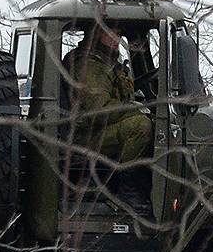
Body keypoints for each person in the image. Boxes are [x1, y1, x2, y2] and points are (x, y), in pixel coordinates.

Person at [63, 24, 152, 207]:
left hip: (95, 132)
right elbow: (98, 111)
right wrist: (137, 109)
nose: (116, 39)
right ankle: (129, 192)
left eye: (119, 34)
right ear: (95, 34)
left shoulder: (107, 62)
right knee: (139, 126)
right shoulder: (89, 66)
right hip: (82, 136)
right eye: (109, 33)